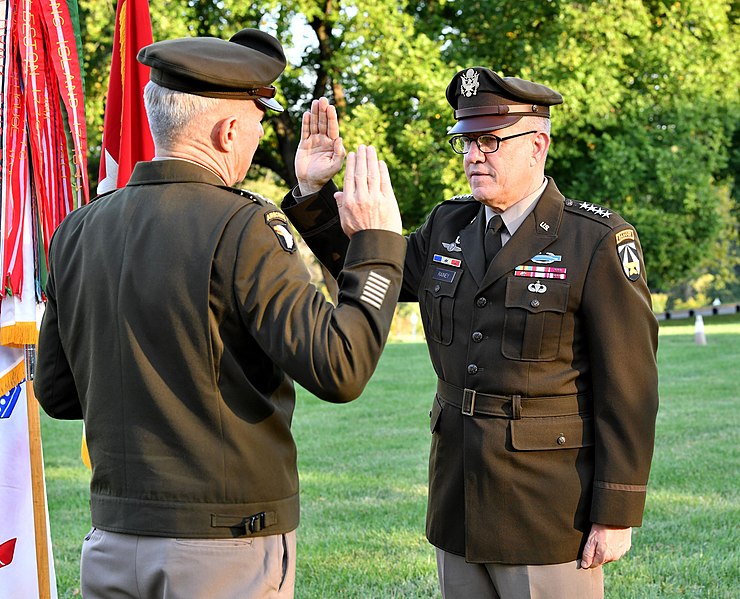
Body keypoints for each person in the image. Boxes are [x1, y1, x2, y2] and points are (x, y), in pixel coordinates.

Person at [34, 29, 405, 599]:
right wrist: (377, 245)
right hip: (223, 548)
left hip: (112, 542)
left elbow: (58, 395)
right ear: (229, 130)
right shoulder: (242, 226)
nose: (258, 138)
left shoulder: (78, 229)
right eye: (258, 122)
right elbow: (341, 366)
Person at [283, 68, 659, 598]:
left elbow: (630, 389)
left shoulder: (594, 241)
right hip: (458, 494)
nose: (472, 155)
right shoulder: (448, 226)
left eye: (489, 141)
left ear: (537, 145)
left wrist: (616, 512)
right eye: (465, 141)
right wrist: (313, 190)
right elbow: (369, 262)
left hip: (547, 507)